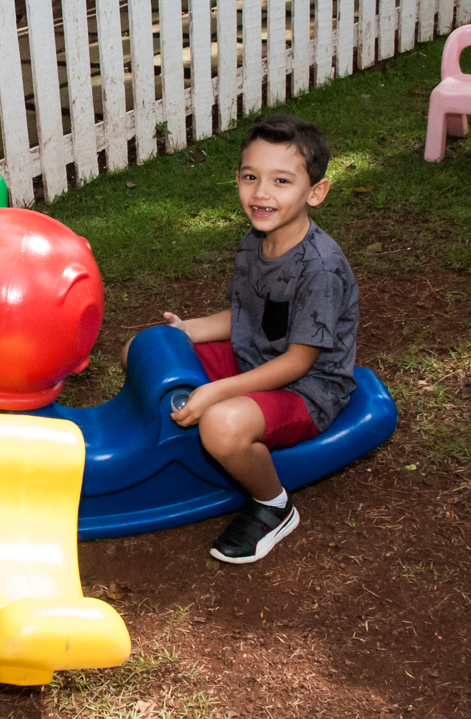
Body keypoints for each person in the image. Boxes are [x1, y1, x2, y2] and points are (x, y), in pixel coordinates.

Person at [127, 114, 358, 564]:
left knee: (221, 423)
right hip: (253, 358)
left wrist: (215, 391)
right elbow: (247, 316)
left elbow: (297, 362)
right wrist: (187, 330)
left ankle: (274, 505)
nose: (261, 193)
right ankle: (167, 457)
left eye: (281, 181)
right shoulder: (255, 241)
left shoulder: (320, 269)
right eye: (251, 177)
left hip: (307, 388)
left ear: (316, 192)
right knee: (145, 348)